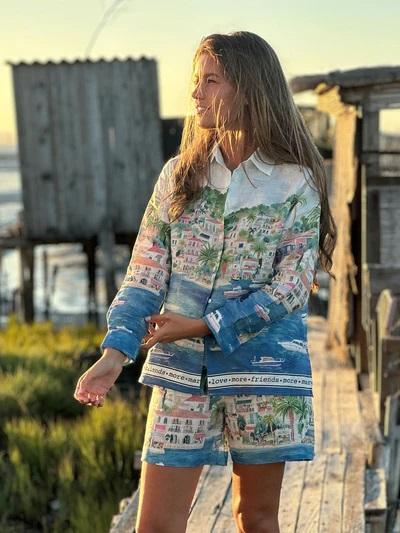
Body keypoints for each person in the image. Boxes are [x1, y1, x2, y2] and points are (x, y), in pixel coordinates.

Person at [74, 31, 337, 533]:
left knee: (255, 519)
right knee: (155, 526)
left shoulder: (296, 181)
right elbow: (145, 272)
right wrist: (113, 355)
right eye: (196, 80)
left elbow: (290, 286)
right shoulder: (179, 176)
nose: (195, 93)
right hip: (180, 373)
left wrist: (202, 325)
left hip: (264, 375)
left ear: (249, 88)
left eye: (211, 80)